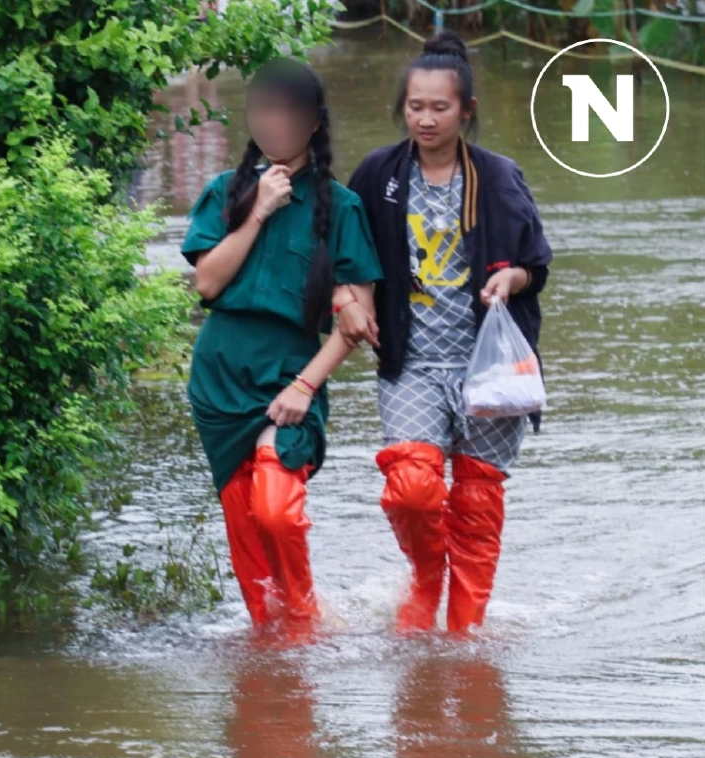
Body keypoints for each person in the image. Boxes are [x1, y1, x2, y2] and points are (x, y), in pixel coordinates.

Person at [342, 31, 553, 635]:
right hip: (411, 363)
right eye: (415, 106)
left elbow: (535, 264)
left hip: (488, 366)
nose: (426, 119)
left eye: (440, 107)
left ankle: (464, 631)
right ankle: (427, 578)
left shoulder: (499, 177)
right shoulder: (379, 174)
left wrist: (510, 279)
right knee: (411, 488)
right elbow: (347, 254)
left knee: (478, 504)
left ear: (467, 111)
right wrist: (346, 298)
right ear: (401, 107)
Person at [182, 58, 382, 637]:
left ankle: (304, 622)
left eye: (287, 112)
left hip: (292, 374)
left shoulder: (342, 208)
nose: (274, 123)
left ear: (314, 123)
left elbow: (356, 322)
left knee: (275, 504)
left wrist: (305, 386)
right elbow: (208, 283)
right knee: (246, 532)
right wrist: (258, 212)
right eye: (263, 111)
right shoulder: (225, 192)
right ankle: (272, 665)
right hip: (219, 380)